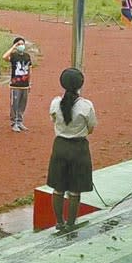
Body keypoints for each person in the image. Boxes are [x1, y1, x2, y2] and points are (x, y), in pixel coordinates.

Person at [47, 68, 97, 233]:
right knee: (75, 189)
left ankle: (59, 222)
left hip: (60, 145)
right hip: (78, 147)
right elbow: (91, 128)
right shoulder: (86, 105)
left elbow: (53, 119)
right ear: (80, 84)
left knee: (58, 187)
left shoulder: (55, 103)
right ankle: (71, 223)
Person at [2, 37, 32, 132]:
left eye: (22, 44)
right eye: (19, 44)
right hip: (15, 84)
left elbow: (30, 70)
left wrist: (30, 83)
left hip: (25, 84)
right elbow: (4, 57)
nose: (21, 46)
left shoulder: (27, 56)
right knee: (15, 104)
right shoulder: (13, 56)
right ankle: (14, 122)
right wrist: (13, 47)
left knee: (23, 104)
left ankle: (20, 121)